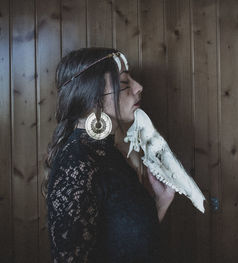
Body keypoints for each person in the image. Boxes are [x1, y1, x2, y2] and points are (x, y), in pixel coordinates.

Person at [42, 47, 175, 262]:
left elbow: (126, 244)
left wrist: (162, 201)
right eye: (124, 84)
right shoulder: (78, 162)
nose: (138, 87)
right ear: (93, 97)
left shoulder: (108, 153)